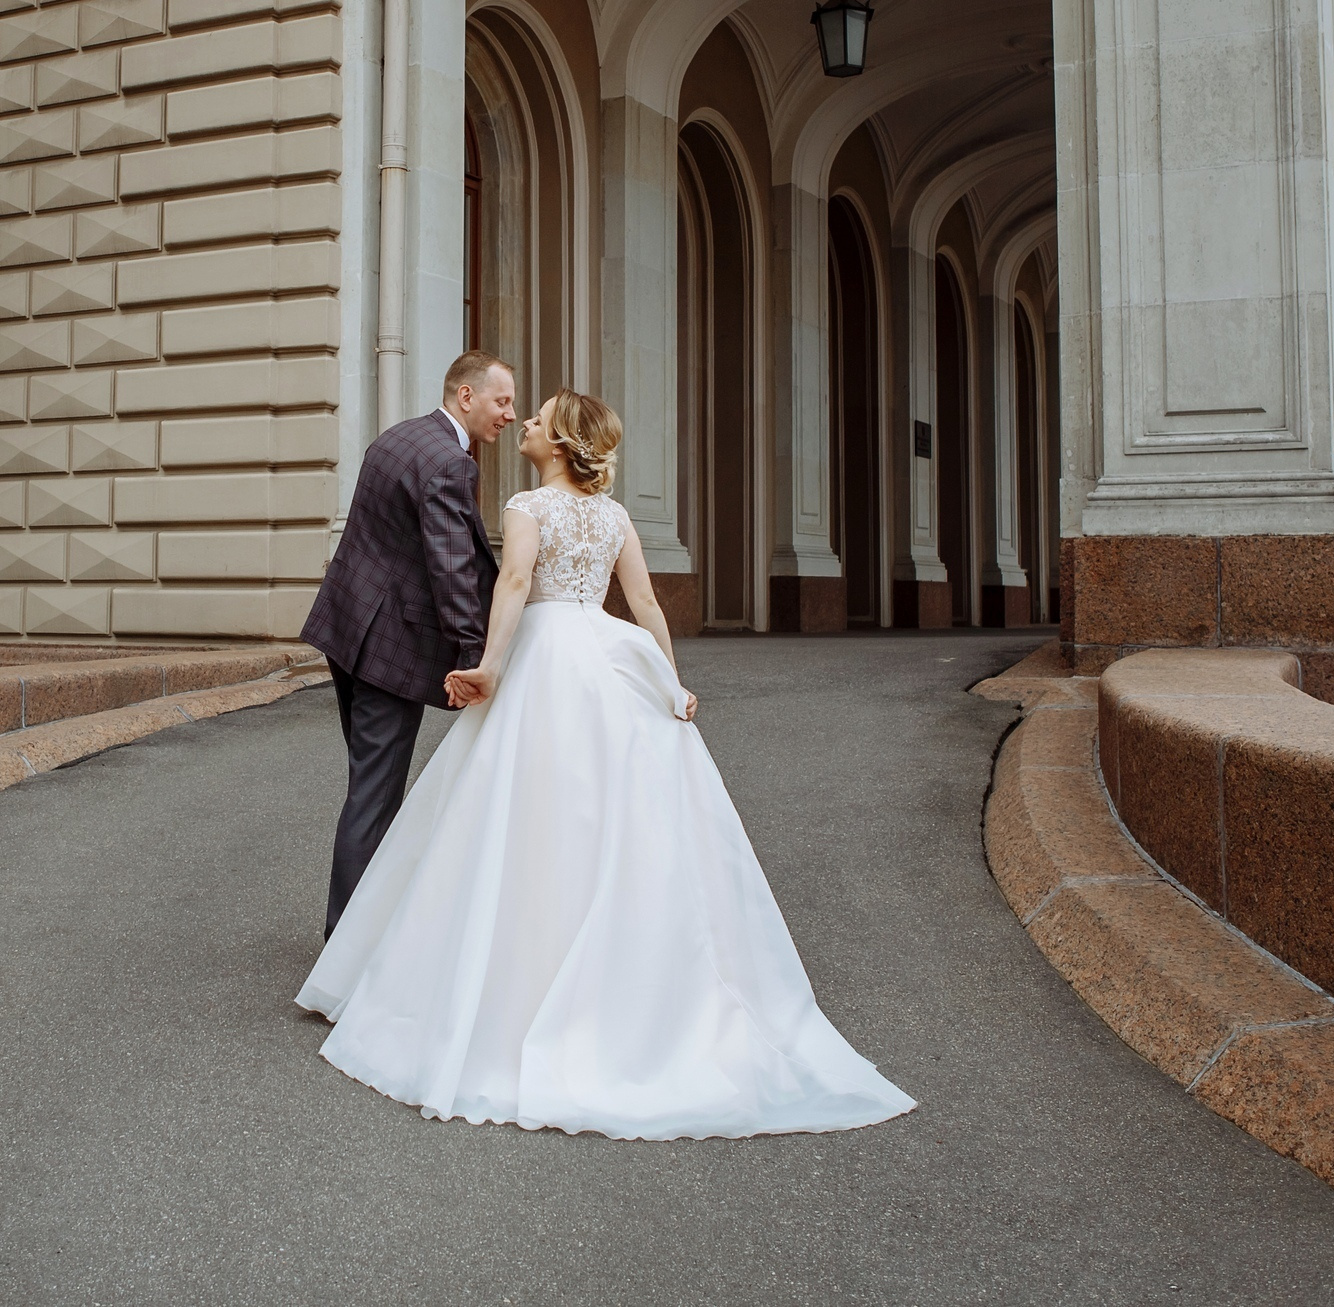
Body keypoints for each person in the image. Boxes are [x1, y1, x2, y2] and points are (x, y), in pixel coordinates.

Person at [297, 388, 915, 1141]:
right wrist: (669, 677)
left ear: (558, 439)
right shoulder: (615, 517)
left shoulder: (528, 507)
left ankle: (504, 977)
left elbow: (516, 585)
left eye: (537, 415)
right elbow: (647, 603)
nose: (522, 421)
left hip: (546, 664)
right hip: (608, 655)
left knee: (513, 816)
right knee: (611, 814)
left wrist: (489, 666)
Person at [299, 352, 513, 935]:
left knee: (369, 781)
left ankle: (364, 928)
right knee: (374, 791)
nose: (510, 415)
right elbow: (452, 571)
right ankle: (348, 945)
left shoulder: (397, 438)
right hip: (391, 648)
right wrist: (474, 659)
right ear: (466, 397)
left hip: (347, 630)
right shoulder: (449, 462)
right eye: (502, 401)